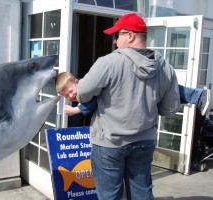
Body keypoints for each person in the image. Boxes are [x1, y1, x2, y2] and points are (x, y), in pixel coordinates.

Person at [72, 13, 200, 200]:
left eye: (117, 36)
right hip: (144, 141)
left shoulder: (108, 62)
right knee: (141, 191)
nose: (115, 41)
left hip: (110, 143)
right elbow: (169, 108)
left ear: (130, 36)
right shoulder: (165, 67)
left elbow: (82, 94)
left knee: (109, 196)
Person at [56, 71, 210, 117]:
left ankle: (198, 96)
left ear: (77, 81)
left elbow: (94, 102)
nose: (70, 96)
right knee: (159, 92)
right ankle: (197, 96)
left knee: (160, 89)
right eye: (66, 96)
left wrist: (76, 110)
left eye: (70, 92)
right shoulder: (83, 87)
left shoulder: (87, 85)